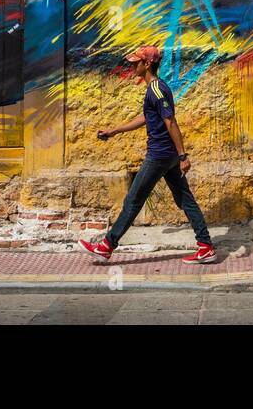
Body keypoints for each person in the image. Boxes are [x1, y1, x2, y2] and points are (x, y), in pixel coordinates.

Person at [79, 46, 216, 264]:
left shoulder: (157, 90)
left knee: (133, 200)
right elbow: (147, 118)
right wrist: (115, 130)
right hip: (167, 155)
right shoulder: (154, 89)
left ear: (147, 64)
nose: (133, 66)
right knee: (185, 199)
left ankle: (106, 246)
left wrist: (183, 156)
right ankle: (206, 246)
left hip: (160, 155)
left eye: (136, 63)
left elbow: (170, 122)